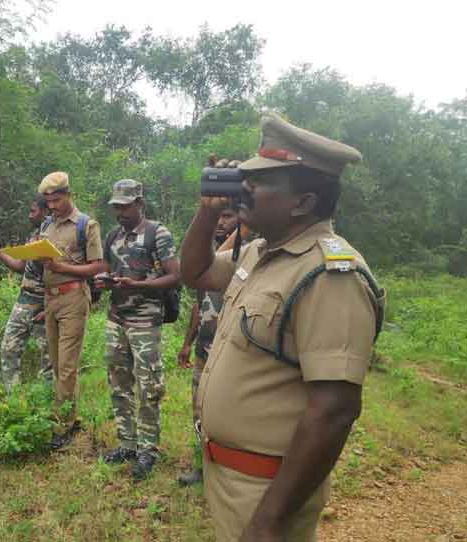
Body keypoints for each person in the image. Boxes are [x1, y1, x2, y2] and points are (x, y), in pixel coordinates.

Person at [180, 113, 385, 542]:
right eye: (246, 177)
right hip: (230, 474)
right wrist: (207, 213)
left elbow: (335, 409)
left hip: (266, 488)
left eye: (261, 180)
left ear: (303, 203)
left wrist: (270, 521)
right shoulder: (258, 251)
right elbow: (195, 271)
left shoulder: (331, 274)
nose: (245, 188)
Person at [95, 179, 180, 480]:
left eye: (125, 206)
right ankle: (127, 444)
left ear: (139, 203)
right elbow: (107, 268)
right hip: (116, 318)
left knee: (148, 386)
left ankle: (148, 450)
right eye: (116, 207)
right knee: (119, 384)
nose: (120, 212)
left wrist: (139, 285)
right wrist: (104, 281)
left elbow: (175, 276)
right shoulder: (113, 236)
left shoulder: (158, 233)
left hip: (145, 320)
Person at [37, 171, 106, 450]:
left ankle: (61, 426)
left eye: (56, 200)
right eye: (48, 201)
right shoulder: (47, 225)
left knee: (66, 366)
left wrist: (63, 267)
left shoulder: (86, 225)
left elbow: (98, 267)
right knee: (57, 364)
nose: (52, 206)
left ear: (68, 195)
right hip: (49, 299)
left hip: (73, 298)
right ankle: (72, 416)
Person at [176, 201, 238, 486]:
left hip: (232, 353)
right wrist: (187, 343)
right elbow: (198, 306)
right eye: (219, 217)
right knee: (199, 409)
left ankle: (229, 473)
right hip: (204, 348)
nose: (221, 222)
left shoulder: (247, 253)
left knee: (229, 414)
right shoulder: (208, 255)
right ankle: (203, 468)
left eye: (228, 216)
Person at [0, 195, 52, 392]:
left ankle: (48, 401)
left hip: (44, 303)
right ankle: (15, 400)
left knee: (49, 357)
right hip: (24, 301)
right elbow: (20, 266)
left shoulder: (54, 236)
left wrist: (52, 306)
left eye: (33, 211)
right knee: (9, 349)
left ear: (45, 212)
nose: (30, 215)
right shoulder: (33, 236)